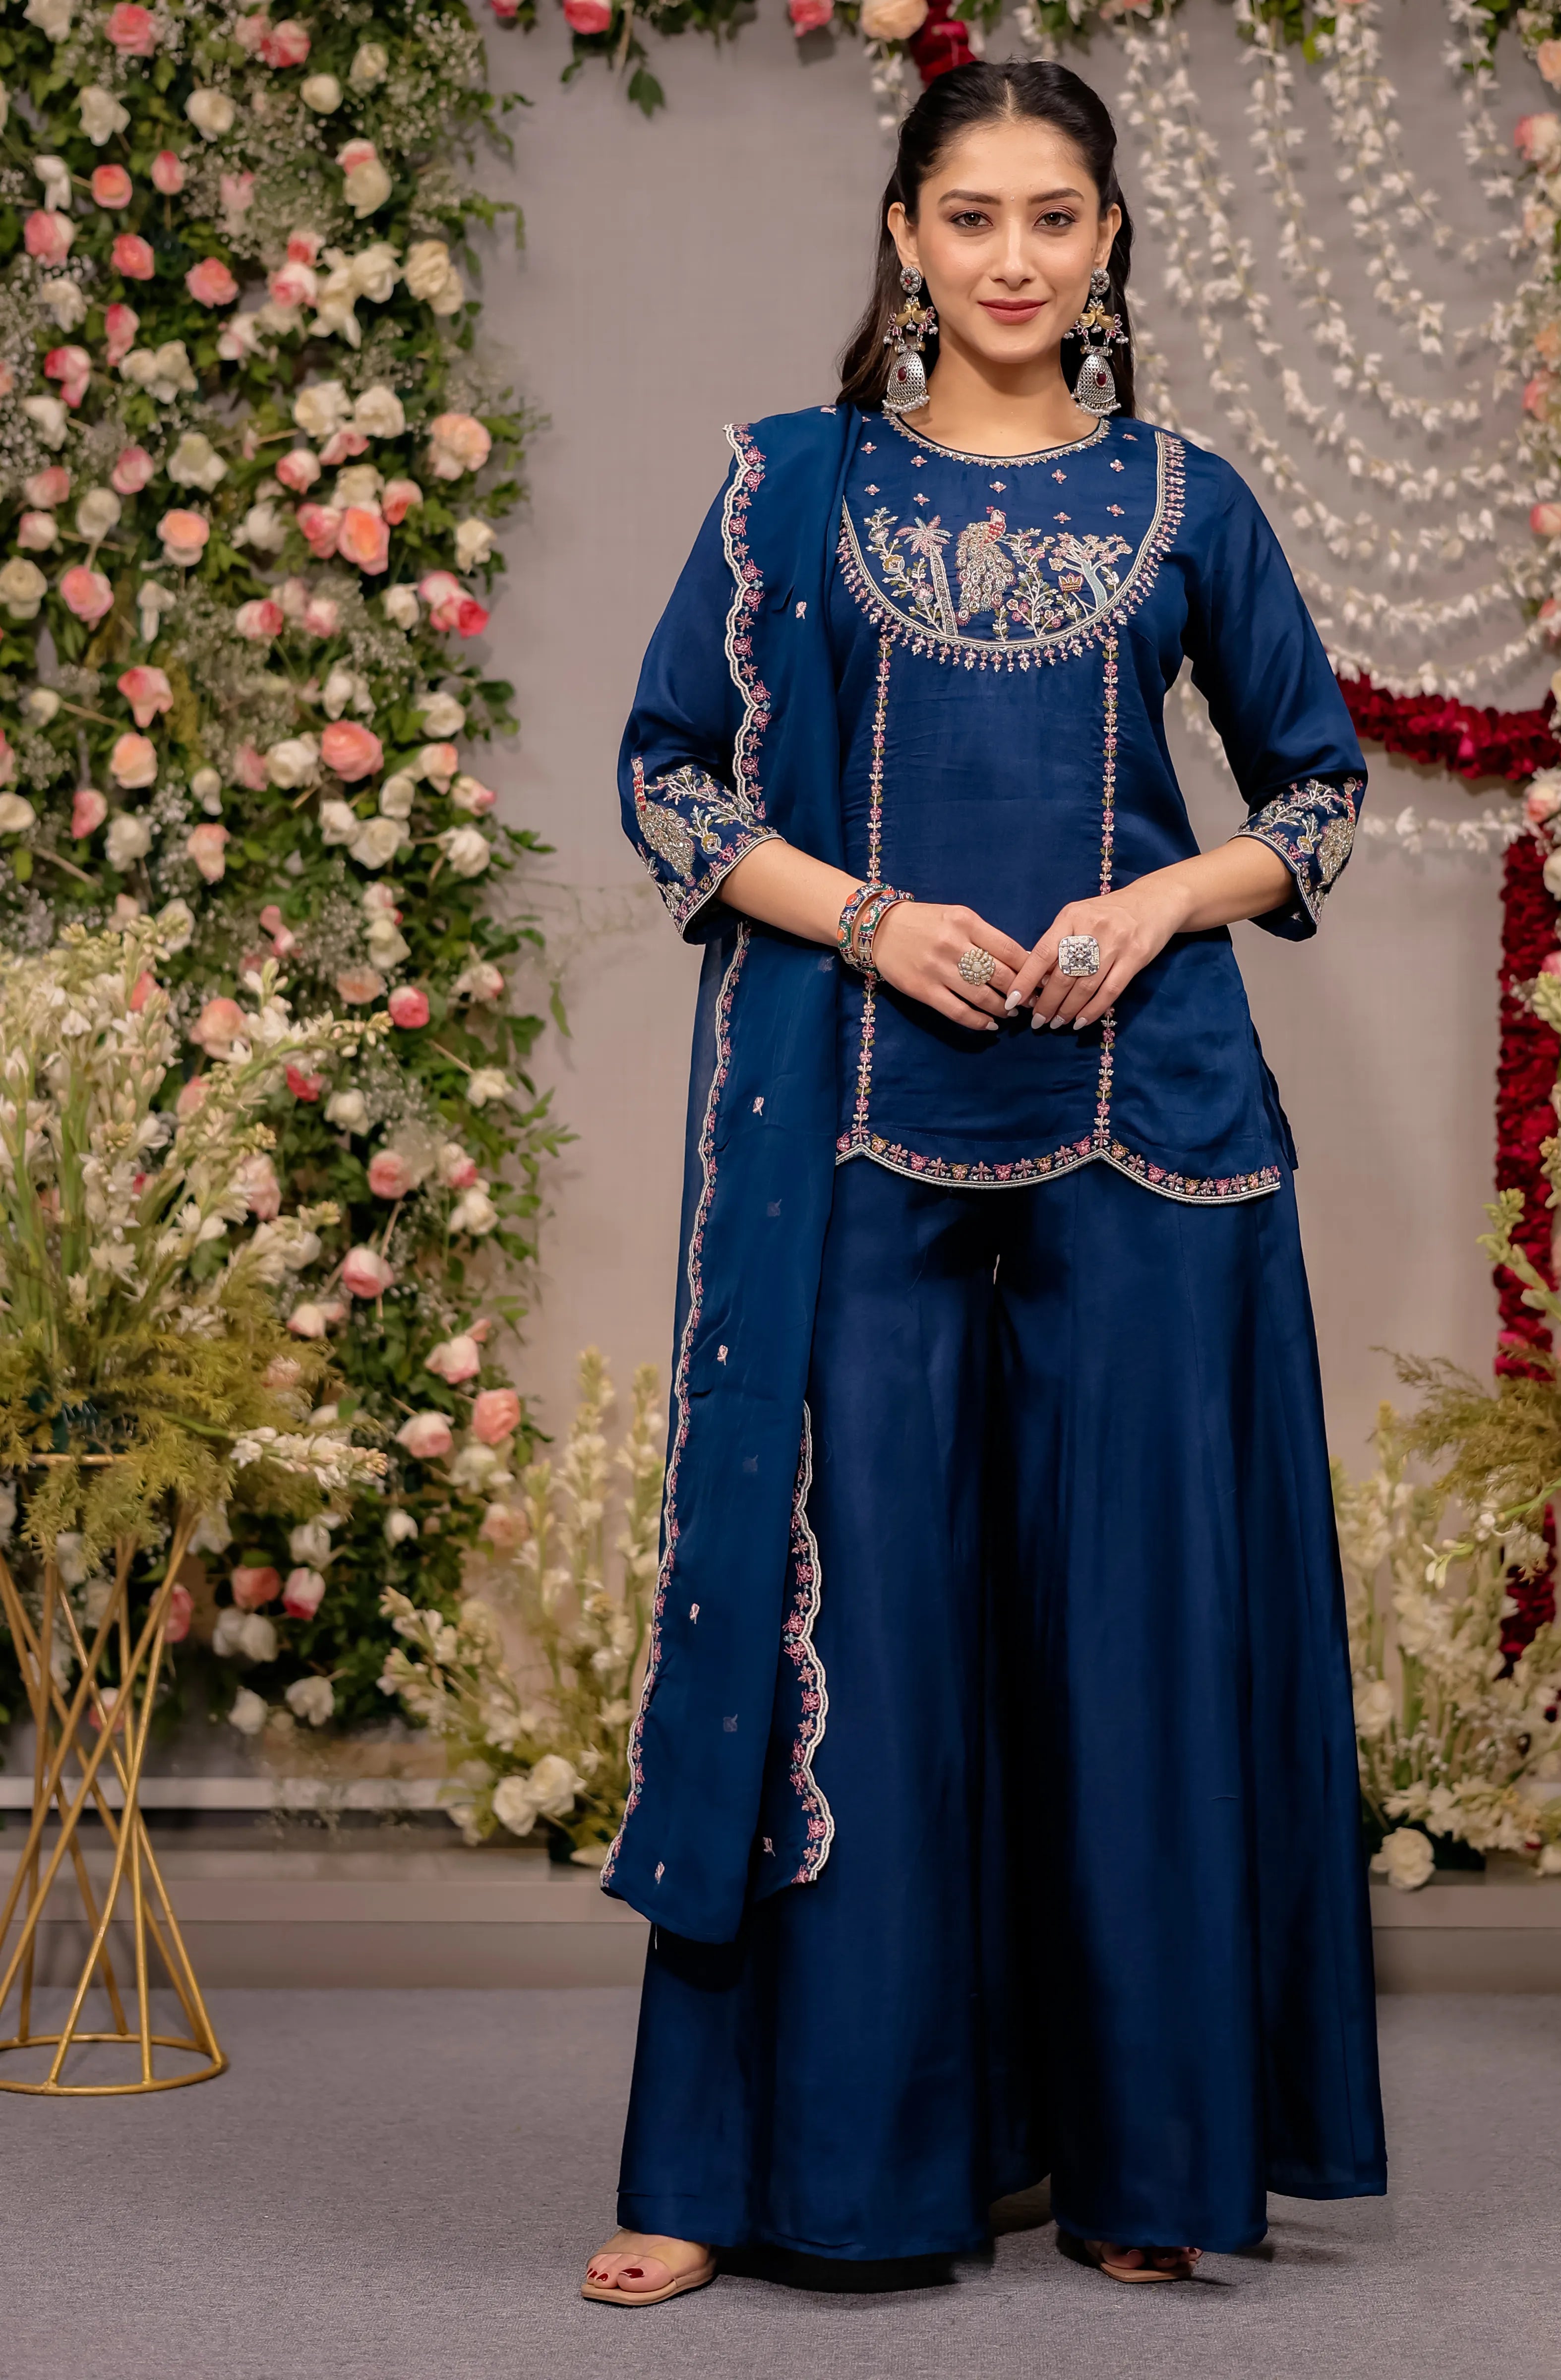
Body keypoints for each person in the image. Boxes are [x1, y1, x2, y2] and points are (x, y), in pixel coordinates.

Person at [582, 57, 1384, 2308]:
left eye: (1051, 217)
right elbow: (663, 783)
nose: (1012, 258)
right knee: (860, 1630)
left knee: (1132, 1639)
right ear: (903, 240)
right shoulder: (790, 485)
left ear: (1107, 240)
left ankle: (1145, 2160)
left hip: (1156, 1130)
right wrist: (854, 912)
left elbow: (1314, 794)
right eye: (968, 218)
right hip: (853, 1111)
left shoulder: (1191, 498)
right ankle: (784, 2171)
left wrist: (1160, 903)